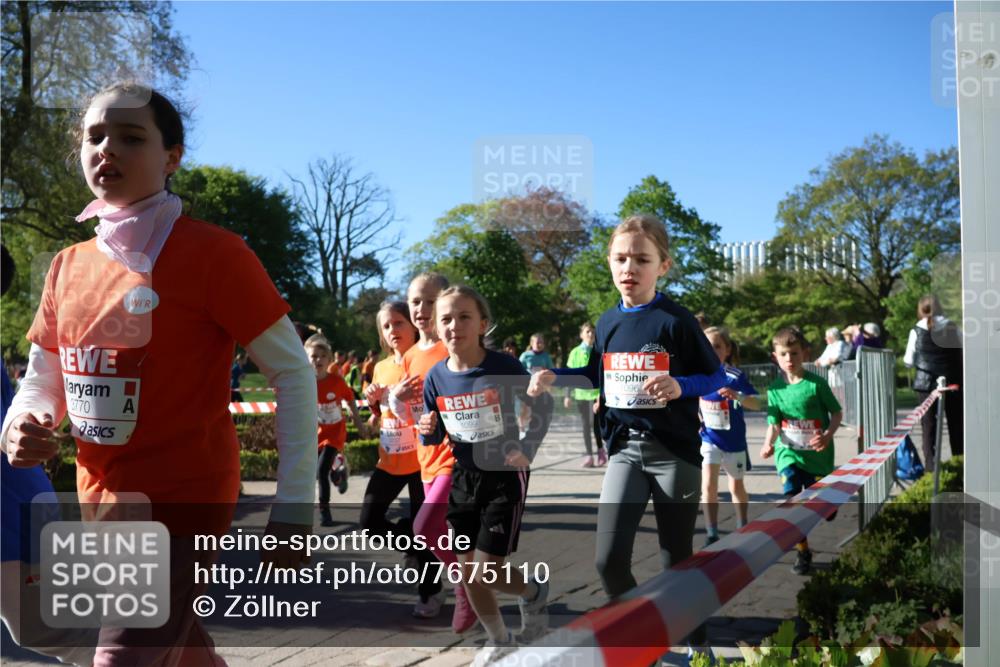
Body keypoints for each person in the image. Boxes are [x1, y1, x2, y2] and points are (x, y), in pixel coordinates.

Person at [0, 82, 316, 666]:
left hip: (183, 504)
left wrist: (294, 505)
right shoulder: (68, 265)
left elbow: (294, 374)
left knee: (122, 655)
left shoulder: (216, 255)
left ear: (172, 157)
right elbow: (44, 378)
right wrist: (22, 421)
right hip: (102, 505)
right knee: (182, 651)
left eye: (130, 137)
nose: (107, 150)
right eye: (94, 137)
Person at [529, 213, 727, 661]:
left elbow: (716, 377)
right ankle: (646, 641)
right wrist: (552, 376)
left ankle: (698, 643)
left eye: (641, 258)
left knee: (676, 560)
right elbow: (590, 374)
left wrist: (681, 386)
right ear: (609, 262)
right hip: (624, 451)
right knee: (608, 562)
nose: (629, 268)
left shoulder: (675, 320)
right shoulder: (606, 322)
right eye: (620, 258)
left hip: (674, 453)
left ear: (664, 266)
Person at [417, 286, 552, 666]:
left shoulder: (503, 367)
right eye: (445, 318)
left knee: (486, 571)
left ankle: (532, 592)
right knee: (465, 570)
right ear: (436, 326)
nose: (453, 325)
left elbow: (541, 403)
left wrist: (528, 447)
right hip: (464, 477)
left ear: (483, 325)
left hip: (503, 476)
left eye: (463, 317)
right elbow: (435, 432)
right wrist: (426, 428)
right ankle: (500, 638)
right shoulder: (436, 378)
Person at [387, 272, 475, 630]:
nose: (420, 308)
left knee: (424, 527)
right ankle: (515, 588)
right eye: (415, 301)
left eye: (428, 301)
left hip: (455, 459)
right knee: (445, 535)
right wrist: (397, 401)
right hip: (426, 458)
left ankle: (465, 588)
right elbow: (411, 413)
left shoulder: (452, 346)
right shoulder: (408, 356)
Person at [361, 301, 439, 608]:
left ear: (413, 325)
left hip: (422, 460)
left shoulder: (426, 361)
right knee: (369, 522)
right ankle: (410, 539)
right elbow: (382, 414)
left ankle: (430, 593)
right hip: (390, 459)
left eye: (398, 323)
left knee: (427, 531)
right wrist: (373, 401)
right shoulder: (381, 367)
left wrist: (407, 400)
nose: (393, 330)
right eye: (386, 326)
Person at [760, 327, 842, 575]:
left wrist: (827, 435)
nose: (789, 359)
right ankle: (802, 551)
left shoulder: (816, 384)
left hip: (818, 457)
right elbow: (774, 423)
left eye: (794, 353)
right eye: (783, 354)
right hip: (789, 455)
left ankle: (830, 504)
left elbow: (836, 413)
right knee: (793, 503)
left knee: (822, 509)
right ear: (775, 356)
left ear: (804, 354)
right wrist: (768, 443)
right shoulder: (775, 389)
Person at [699, 327, 763, 547]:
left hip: (734, 441)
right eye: (707, 345)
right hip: (709, 439)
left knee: (736, 487)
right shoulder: (697, 374)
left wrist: (737, 395)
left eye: (717, 346)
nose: (712, 350)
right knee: (708, 485)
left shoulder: (734, 376)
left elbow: (757, 403)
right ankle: (711, 533)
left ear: (727, 350)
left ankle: (742, 526)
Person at [305, 335, 366, 525]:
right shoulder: (304, 382)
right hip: (315, 435)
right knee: (324, 470)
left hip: (335, 434)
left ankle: (325, 512)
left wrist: (358, 422)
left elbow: (350, 400)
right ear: (306, 358)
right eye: (314, 356)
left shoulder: (337, 382)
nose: (318, 360)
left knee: (320, 471)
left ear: (329, 359)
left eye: (323, 356)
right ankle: (339, 474)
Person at [904, 295, 963, 469]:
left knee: (928, 428)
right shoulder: (953, 326)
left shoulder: (916, 330)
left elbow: (908, 360)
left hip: (926, 384)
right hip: (953, 382)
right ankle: (960, 465)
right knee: (956, 425)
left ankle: (931, 469)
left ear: (921, 309)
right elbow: (965, 351)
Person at [564, 322, 606, 467]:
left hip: (595, 396)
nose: (590, 334)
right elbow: (570, 375)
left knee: (596, 426)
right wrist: (567, 395)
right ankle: (589, 456)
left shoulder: (599, 351)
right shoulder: (575, 352)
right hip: (581, 396)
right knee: (585, 426)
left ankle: (601, 452)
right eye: (587, 331)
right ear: (581, 335)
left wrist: (601, 396)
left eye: (593, 332)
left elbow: (603, 376)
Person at [518, 334, 553, 430]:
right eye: (537, 342)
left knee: (537, 408)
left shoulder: (546, 356)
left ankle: (533, 426)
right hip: (527, 385)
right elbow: (518, 369)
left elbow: (551, 371)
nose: (539, 344)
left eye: (541, 342)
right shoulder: (525, 355)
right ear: (531, 343)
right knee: (525, 406)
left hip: (541, 387)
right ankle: (521, 423)